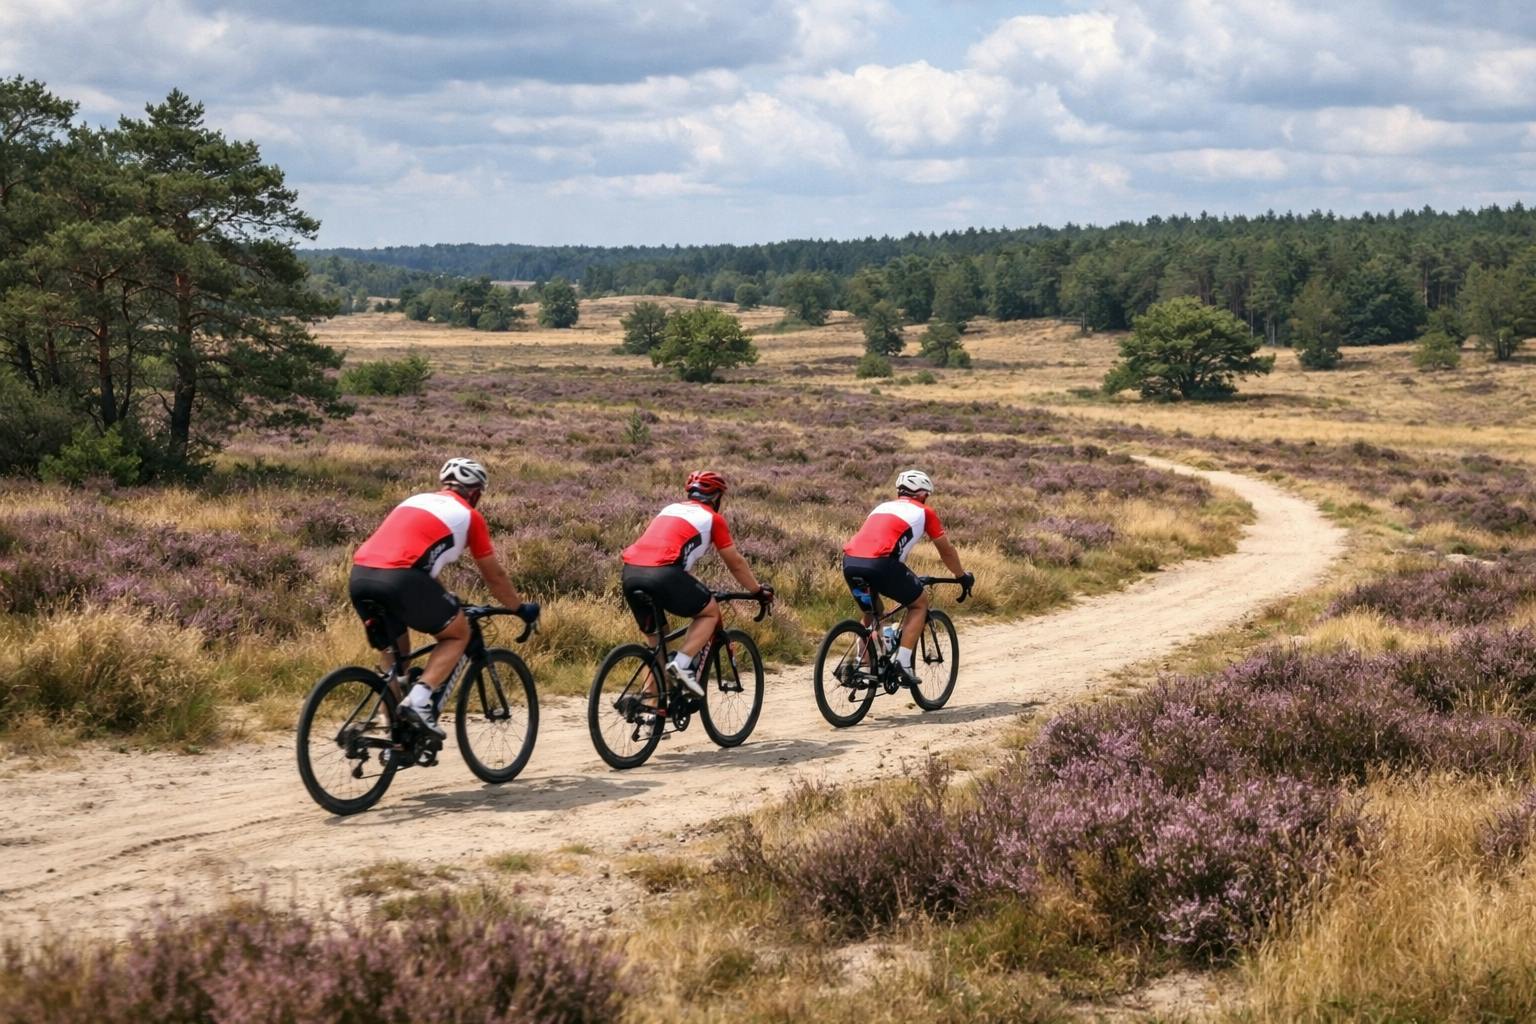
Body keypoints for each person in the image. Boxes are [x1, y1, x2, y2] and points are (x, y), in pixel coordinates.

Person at [349, 457, 537, 738]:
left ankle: (394, 734)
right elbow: (494, 576)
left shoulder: (415, 500)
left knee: (394, 654)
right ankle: (419, 701)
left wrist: (446, 596)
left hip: (361, 576)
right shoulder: (469, 515)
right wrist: (519, 608)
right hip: (401, 579)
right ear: (475, 493)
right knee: (457, 634)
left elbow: (416, 558)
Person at [620, 470, 772, 696]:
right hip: (664, 573)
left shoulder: (669, 509)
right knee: (709, 612)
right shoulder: (713, 518)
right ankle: (681, 664)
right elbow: (736, 563)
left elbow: (662, 548)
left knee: (656, 645)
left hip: (631, 572)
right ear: (716, 497)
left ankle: (651, 711)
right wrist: (758, 591)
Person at [841, 469, 973, 688]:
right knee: (919, 604)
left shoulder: (881, 507)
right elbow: (946, 551)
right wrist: (962, 576)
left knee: (872, 612)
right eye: (927, 496)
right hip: (881, 564)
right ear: (922, 494)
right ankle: (903, 663)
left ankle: (862, 667)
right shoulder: (925, 512)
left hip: (850, 561)